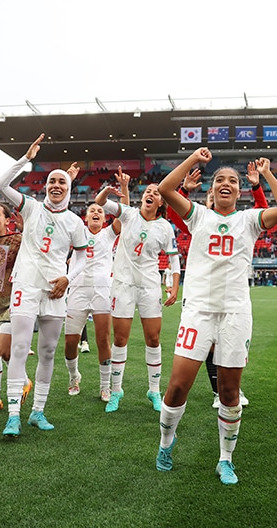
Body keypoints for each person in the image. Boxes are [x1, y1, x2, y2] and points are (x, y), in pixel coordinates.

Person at [155, 149, 277, 485]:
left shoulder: (249, 219)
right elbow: (165, 189)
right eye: (220, 179)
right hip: (198, 311)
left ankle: (225, 459)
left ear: (240, 190)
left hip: (235, 313)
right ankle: (165, 444)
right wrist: (192, 159)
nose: (226, 184)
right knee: (177, 387)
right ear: (212, 187)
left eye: (232, 180)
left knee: (230, 392)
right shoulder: (198, 215)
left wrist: (266, 174)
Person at [0, 134, 89, 437]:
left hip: (55, 290)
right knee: (21, 347)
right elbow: (0, 185)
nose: (56, 186)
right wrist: (25, 159)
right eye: (51, 182)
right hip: (26, 284)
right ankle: (13, 415)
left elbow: (83, 259)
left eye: (62, 182)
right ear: (46, 186)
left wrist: (67, 279)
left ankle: (38, 411)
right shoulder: (31, 207)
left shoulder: (75, 223)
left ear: (69, 188)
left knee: (47, 351)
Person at [166, 164, 266, 408]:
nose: (222, 189)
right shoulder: (198, 219)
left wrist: (256, 186)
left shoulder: (241, 221)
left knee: (221, 349)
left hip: (230, 303)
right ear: (209, 195)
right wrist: (185, 191)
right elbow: (173, 212)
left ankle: (225, 390)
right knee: (207, 349)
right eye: (215, 188)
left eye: (231, 182)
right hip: (200, 300)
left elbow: (261, 215)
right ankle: (216, 390)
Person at [97, 171, 180, 413]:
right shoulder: (129, 214)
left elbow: (173, 260)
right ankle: (116, 391)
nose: (150, 194)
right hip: (122, 284)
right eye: (147, 191)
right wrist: (114, 189)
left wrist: (174, 285)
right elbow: (101, 202)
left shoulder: (165, 227)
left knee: (153, 339)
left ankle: (154, 391)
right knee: (120, 339)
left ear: (162, 202)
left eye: (156, 192)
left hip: (149, 286)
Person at [63, 198, 120, 400]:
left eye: (100, 211)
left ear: (105, 218)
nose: (96, 212)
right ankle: (73, 376)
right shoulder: (78, 232)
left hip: (102, 291)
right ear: (85, 217)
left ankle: (105, 386)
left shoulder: (108, 234)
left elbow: (125, 214)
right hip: (77, 289)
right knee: (70, 342)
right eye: (92, 211)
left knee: (103, 340)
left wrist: (123, 190)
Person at [0, 202, 24, 413]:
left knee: (5, 350)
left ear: (7, 219)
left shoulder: (17, 240)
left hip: (9, 304)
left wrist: (26, 229)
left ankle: (24, 380)